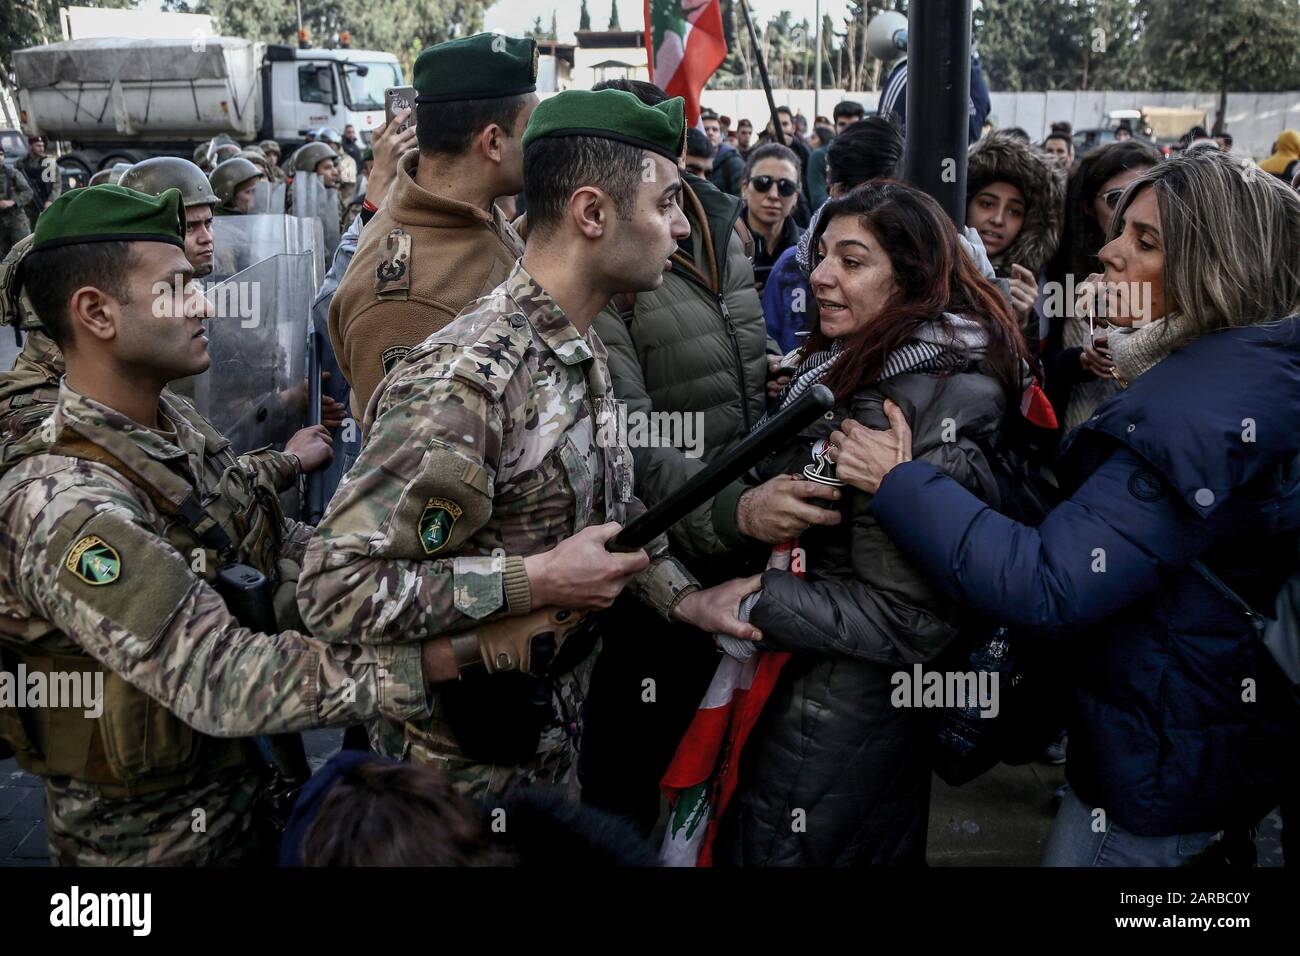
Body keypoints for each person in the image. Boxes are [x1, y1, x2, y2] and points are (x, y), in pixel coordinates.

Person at [828, 148, 1300, 867]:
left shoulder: (1198, 410)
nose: (1108, 252)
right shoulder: (1232, 378)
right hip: (1182, 736)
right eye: (1120, 229)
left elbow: (1047, 584)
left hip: (1154, 768)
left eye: (1146, 242)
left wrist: (900, 483)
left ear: (1217, 268)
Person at [297, 89, 760, 800]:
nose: (680, 228)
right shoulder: (469, 384)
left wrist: (682, 600)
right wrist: (535, 580)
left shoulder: (576, 345)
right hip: (451, 790)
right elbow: (335, 589)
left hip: (545, 745)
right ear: (592, 214)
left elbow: (607, 510)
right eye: (666, 203)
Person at [0, 185, 450, 865]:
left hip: (242, 801)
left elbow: (261, 538)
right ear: (94, 313)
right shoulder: (63, 503)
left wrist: (410, 580)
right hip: (150, 849)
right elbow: (219, 676)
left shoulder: (170, 425)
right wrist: (450, 660)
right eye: (177, 288)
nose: (206, 304)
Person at [713, 180, 1030, 866]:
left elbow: (910, 619)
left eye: (852, 262)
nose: (820, 275)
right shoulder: (893, 367)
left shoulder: (894, 406)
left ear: (913, 281)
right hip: (853, 713)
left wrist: (750, 600)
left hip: (836, 713)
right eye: (821, 254)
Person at [580, 78, 810, 834]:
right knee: (635, 768)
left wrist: (771, 375)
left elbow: (729, 361)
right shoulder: (610, 276)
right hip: (658, 552)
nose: (674, 220)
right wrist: (733, 511)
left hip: (721, 547)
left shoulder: (718, 231)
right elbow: (633, 443)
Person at [329, 34, 538, 420]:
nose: (538, 142)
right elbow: (412, 463)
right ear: (493, 142)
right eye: (530, 128)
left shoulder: (472, 213)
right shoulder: (401, 300)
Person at [1041, 140, 1162, 433]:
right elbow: (1043, 366)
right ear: (1086, 205)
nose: (1129, 209)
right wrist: (1082, 360)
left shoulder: (1177, 269)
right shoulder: (1060, 269)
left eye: (1143, 194)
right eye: (1116, 198)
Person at [761, 114, 904, 353]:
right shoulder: (791, 267)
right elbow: (767, 342)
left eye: (852, 263)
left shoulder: (939, 280)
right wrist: (779, 367)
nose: (820, 278)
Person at [965, 129, 1066, 347]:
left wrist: (1024, 323)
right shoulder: (933, 267)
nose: (998, 219)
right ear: (966, 204)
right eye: (987, 204)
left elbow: (1036, 376)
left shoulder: (1032, 286)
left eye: (1014, 212)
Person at [879, 49, 991, 144]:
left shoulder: (911, 70)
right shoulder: (977, 78)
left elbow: (884, 140)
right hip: (964, 165)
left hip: (910, 164)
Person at [742, 143, 804, 295]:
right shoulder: (719, 243)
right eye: (763, 183)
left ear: (796, 196)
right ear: (745, 189)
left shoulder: (809, 249)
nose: (774, 195)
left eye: (786, 186)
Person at [0, 146, 34, 259]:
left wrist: (13, 202)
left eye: (1, 154)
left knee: (24, 253)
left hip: (16, 219)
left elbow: (28, 192)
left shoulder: (12, 173)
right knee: (4, 259)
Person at [702, 108, 743, 196]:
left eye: (715, 129)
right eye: (706, 129)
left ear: (721, 136)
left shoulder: (734, 162)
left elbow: (741, 199)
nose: (710, 133)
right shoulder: (689, 161)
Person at [18, 136, 59, 225]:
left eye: (42, 146)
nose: (41, 148)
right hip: (28, 206)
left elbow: (56, 185)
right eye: (38, 146)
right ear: (30, 146)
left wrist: (50, 200)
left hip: (45, 203)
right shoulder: (21, 163)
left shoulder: (49, 162)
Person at [806, 124, 835, 208]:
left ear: (822, 138)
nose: (809, 140)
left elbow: (817, 197)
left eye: (813, 137)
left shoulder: (817, 155)